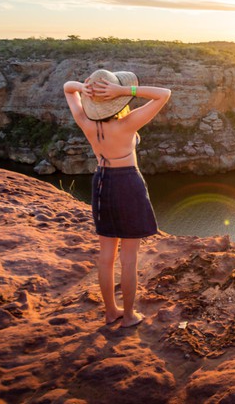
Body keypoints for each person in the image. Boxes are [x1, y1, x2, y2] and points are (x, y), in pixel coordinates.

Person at [63, 70, 171, 327]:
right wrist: (125, 91)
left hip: (101, 181)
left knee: (106, 255)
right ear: (116, 101)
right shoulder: (127, 123)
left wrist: (84, 88)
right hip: (127, 183)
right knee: (129, 257)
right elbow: (164, 95)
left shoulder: (85, 121)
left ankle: (111, 311)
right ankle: (129, 315)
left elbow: (68, 88)